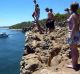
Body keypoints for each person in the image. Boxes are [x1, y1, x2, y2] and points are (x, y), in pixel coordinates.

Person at [66, 2, 80, 70]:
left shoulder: (73, 15)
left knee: (73, 50)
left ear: (71, 8)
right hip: (77, 33)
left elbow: (74, 25)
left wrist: (71, 35)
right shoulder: (77, 14)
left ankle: (74, 65)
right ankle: (76, 63)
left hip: (73, 33)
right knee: (76, 49)